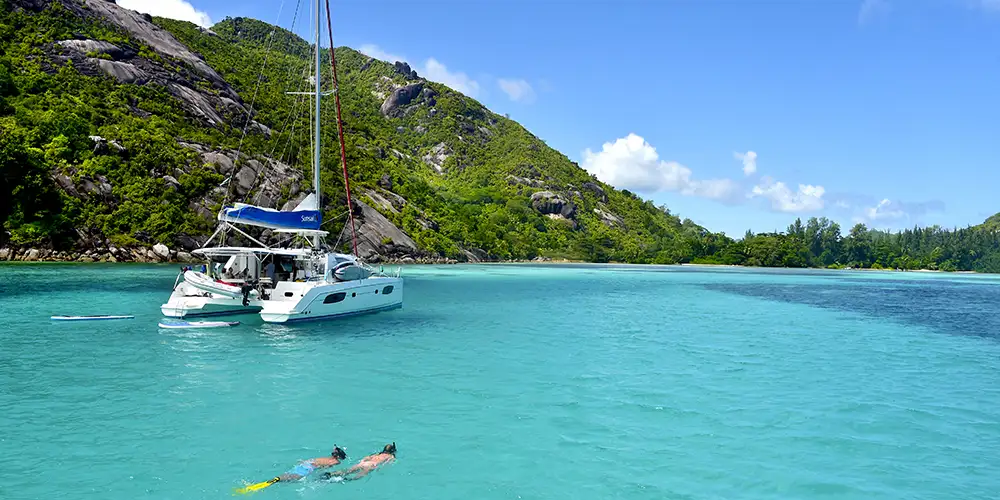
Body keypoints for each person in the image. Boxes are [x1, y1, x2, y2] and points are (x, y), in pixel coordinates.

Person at [322, 443, 396, 482]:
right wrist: (379, 468)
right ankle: (345, 480)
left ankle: (331, 474)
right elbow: (386, 463)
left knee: (348, 470)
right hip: (371, 465)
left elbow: (366, 457)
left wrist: (362, 461)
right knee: (359, 476)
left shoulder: (376, 454)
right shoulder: (390, 456)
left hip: (364, 463)